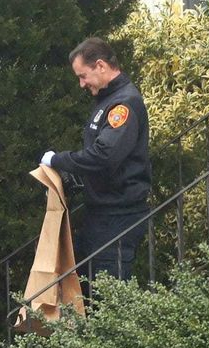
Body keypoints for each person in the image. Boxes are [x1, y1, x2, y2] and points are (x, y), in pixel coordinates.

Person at [40, 37, 150, 282]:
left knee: (109, 291)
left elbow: (104, 155)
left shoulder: (124, 103)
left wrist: (58, 160)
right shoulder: (107, 100)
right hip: (100, 213)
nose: (81, 84)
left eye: (83, 75)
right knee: (87, 290)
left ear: (101, 66)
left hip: (118, 215)